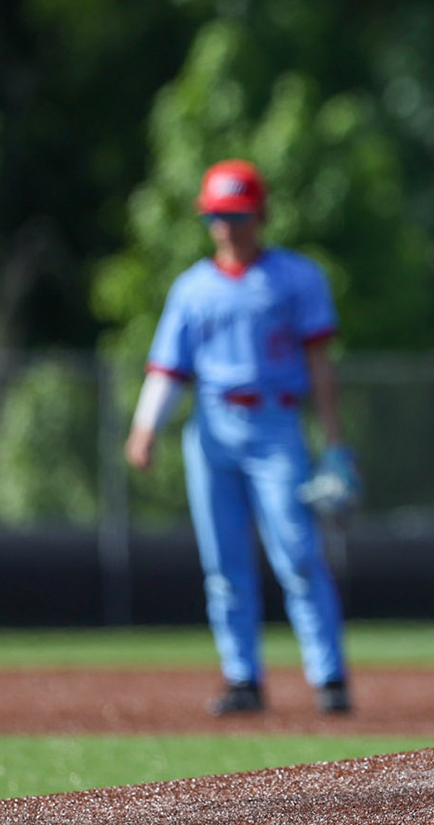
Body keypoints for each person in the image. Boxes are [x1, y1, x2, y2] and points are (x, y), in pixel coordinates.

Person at [124, 159, 354, 717]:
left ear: (261, 214)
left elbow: (320, 363)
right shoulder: (193, 288)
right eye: (218, 216)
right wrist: (145, 425)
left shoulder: (298, 277)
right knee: (224, 563)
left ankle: (329, 677)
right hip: (213, 426)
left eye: (238, 215)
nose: (228, 227)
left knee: (297, 551)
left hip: (277, 424)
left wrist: (335, 445)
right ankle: (242, 677)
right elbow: (169, 368)